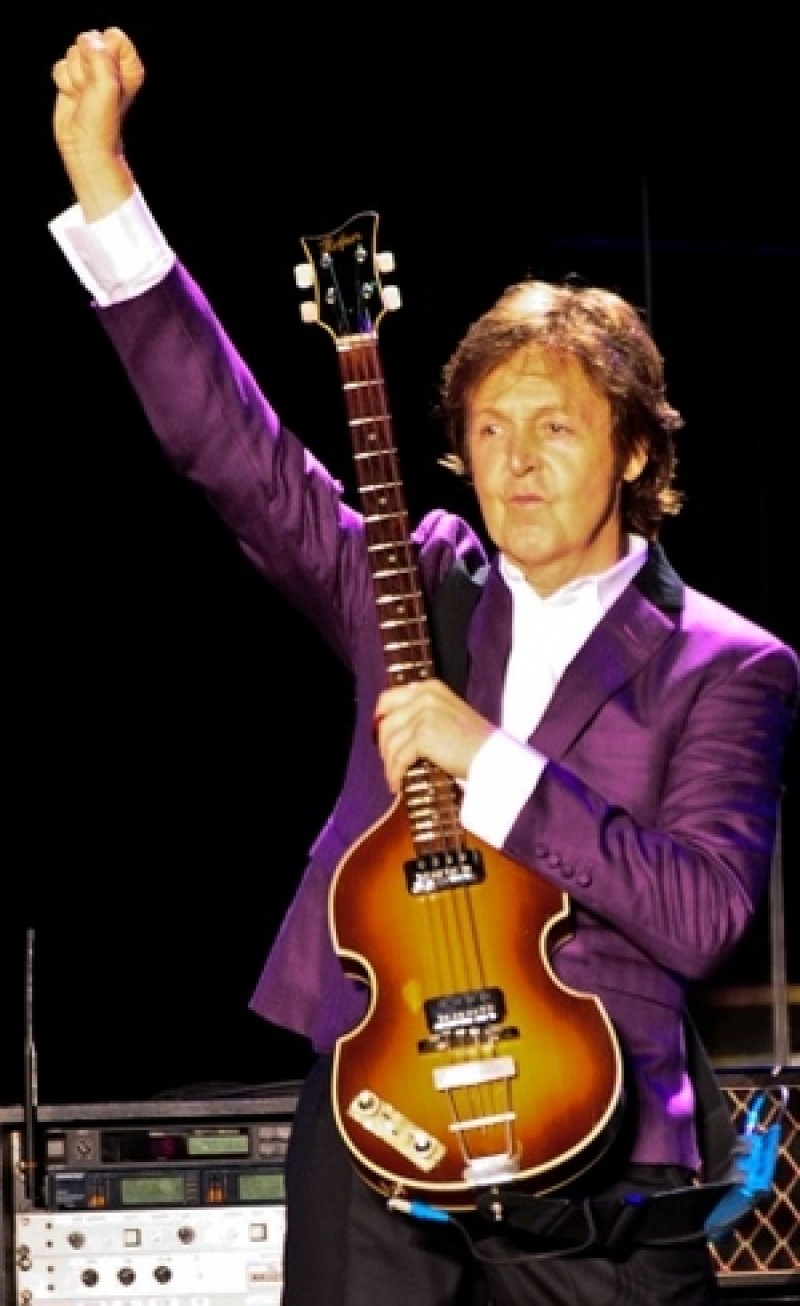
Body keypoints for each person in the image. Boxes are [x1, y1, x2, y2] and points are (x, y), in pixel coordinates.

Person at [49, 27, 798, 1306]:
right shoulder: (419, 580)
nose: (515, 461)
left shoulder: (727, 661)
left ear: (631, 448)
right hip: (377, 1108)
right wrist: (104, 187)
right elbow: (233, 454)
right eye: (488, 429)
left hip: (598, 1143)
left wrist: (485, 759)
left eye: (554, 427)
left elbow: (699, 914)